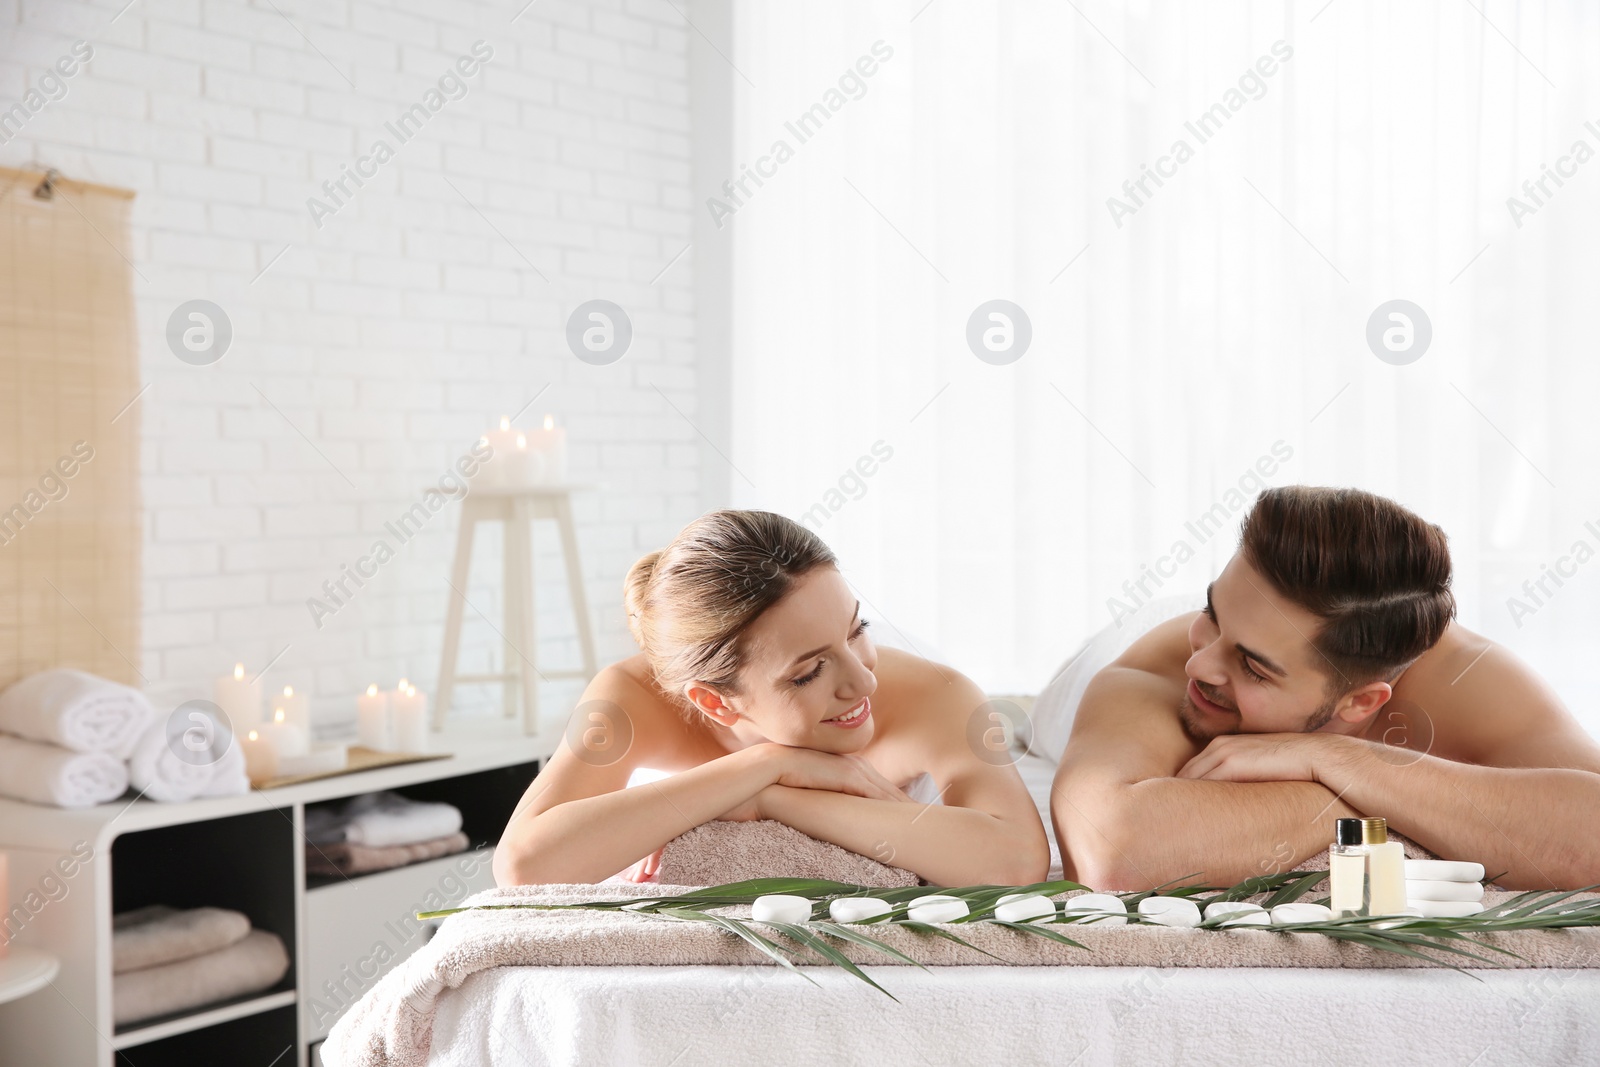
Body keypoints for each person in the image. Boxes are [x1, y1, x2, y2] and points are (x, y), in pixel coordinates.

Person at [1051, 485, 1600, 891]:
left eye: (1254, 669)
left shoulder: (1465, 678)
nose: (1202, 665)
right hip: (1078, 679)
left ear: (1361, 703)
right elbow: (1110, 851)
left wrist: (1339, 760)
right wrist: (1410, 795)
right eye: (1212, 615)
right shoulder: (1165, 666)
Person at [494, 509, 1049, 887]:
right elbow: (524, 865)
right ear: (715, 703)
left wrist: (774, 799)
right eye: (809, 672)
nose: (863, 682)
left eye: (858, 629)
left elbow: (1016, 859)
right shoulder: (630, 696)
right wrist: (765, 764)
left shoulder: (930, 692)